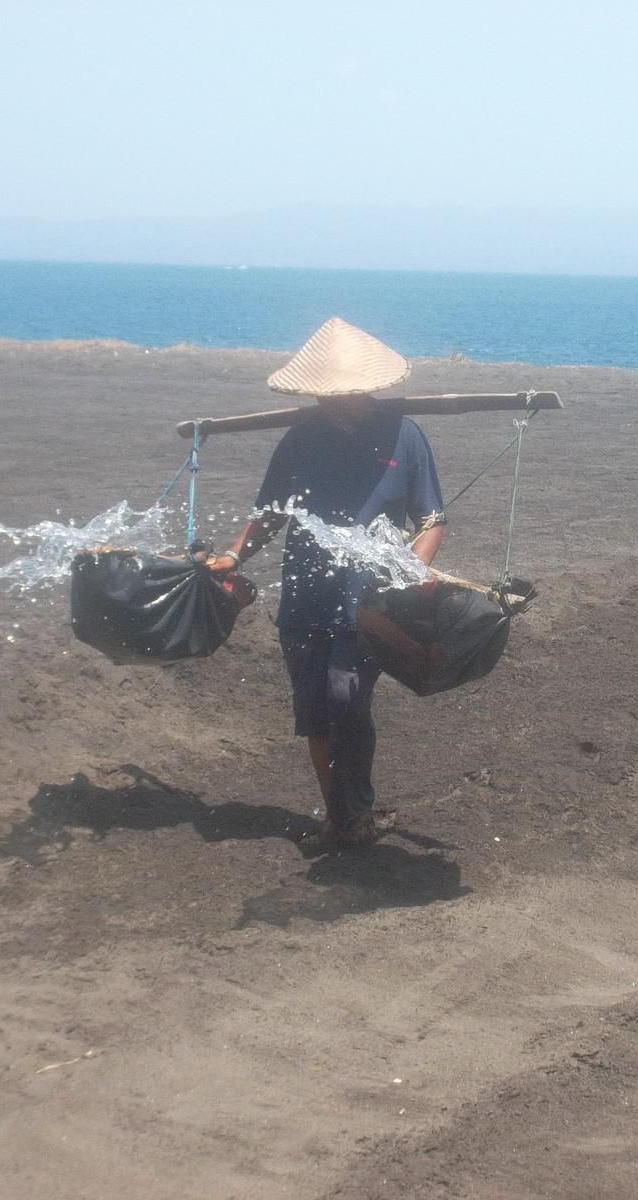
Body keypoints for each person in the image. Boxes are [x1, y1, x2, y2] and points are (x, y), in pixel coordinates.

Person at [221, 318, 446, 850]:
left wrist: (410, 574)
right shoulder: (300, 439)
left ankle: (356, 809)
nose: (330, 402)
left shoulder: (405, 435)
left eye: (338, 393)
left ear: (363, 387)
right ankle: (341, 818)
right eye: (323, 394)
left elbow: (431, 520)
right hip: (304, 595)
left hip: (369, 598)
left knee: (346, 697)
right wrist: (232, 555)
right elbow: (270, 514)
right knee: (315, 711)